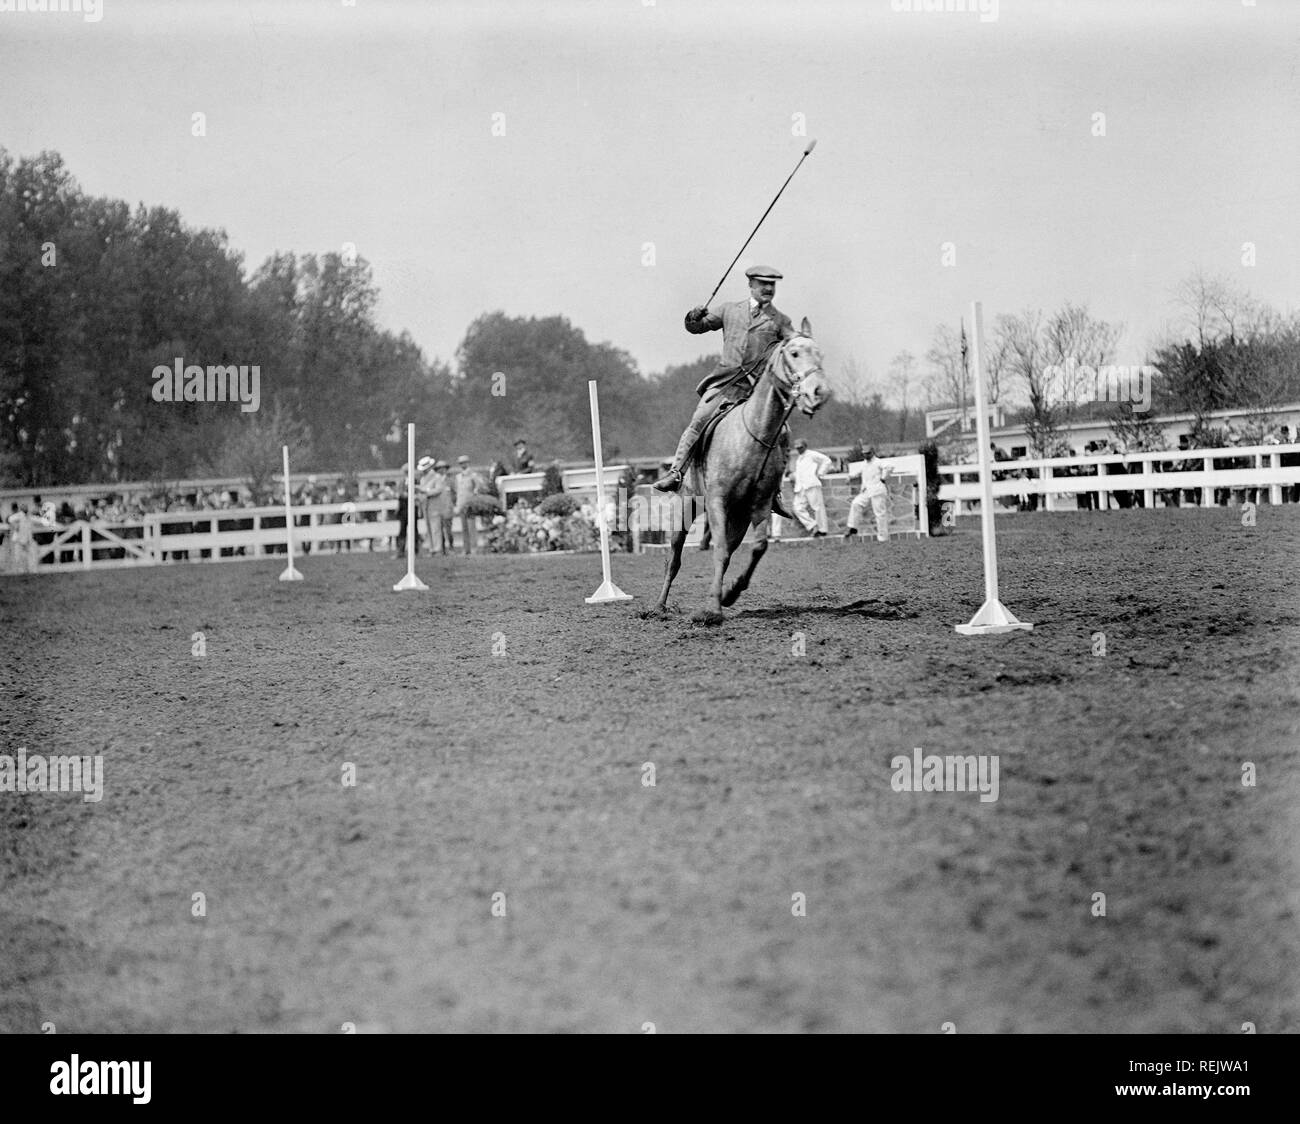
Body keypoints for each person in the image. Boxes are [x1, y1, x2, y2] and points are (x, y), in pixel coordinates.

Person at [652, 265, 795, 519]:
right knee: (699, 420)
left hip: (757, 392)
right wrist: (693, 316)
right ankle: (676, 473)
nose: (768, 289)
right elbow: (696, 328)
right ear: (750, 285)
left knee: (783, 434)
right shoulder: (729, 310)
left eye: (772, 285)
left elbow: (795, 346)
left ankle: (775, 493)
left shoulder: (781, 321)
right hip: (726, 384)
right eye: (762, 284)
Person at [786, 438, 832, 537]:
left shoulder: (812, 454)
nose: (799, 450)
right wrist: (793, 476)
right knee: (797, 508)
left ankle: (822, 530)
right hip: (801, 487)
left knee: (817, 507)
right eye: (797, 448)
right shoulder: (799, 458)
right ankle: (812, 525)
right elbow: (801, 472)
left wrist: (820, 473)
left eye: (801, 447)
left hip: (811, 484)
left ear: (805, 446)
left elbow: (827, 460)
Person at [846, 447, 893, 542]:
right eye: (864, 453)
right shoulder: (864, 464)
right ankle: (853, 527)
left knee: (880, 514)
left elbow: (889, 467)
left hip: (877, 490)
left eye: (868, 453)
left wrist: (883, 478)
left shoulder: (878, 462)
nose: (866, 455)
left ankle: (883, 538)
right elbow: (858, 473)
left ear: (872, 453)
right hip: (866, 491)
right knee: (856, 503)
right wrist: (850, 477)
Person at [453, 455, 484, 555]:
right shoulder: (458, 477)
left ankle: (474, 548)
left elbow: (478, 488)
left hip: (470, 504)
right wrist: (457, 505)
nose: (463, 465)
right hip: (461, 504)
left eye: (464, 463)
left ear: (468, 463)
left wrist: (474, 498)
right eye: (461, 463)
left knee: (471, 527)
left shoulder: (473, 475)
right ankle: (466, 549)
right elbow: (457, 492)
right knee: (464, 528)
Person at [424, 460, 456, 554]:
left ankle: (451, 547)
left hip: (447, 507)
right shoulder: (434, 480)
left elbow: (455, 493)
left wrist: (453, 505)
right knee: (438, 530)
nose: (442, 470)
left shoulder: (450, 480)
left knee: (448, 530)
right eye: (439, 469)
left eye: (444, 468)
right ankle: (441, 549)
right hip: (437, 508)